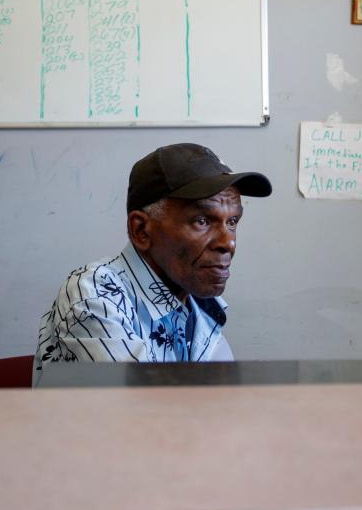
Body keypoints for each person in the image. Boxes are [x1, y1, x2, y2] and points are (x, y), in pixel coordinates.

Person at [32, 143, 272, 383]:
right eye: (202, 221)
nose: (228, 242)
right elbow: (141, 413)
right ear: (141, 231)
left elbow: (223, 402)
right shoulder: (94, 296)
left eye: (232, 222)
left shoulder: (198, 302)